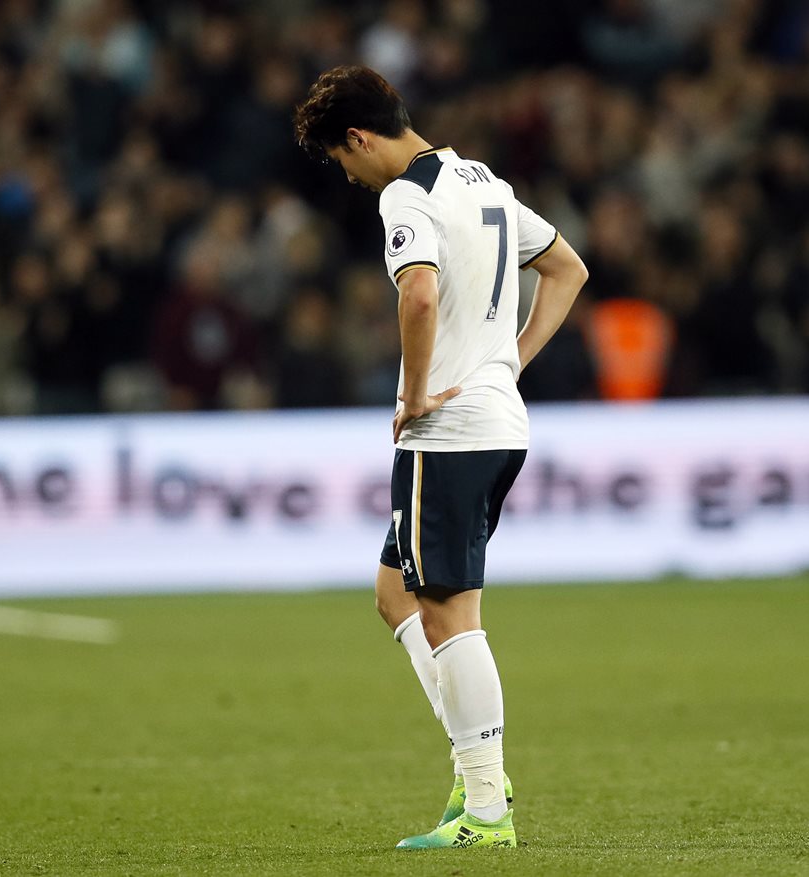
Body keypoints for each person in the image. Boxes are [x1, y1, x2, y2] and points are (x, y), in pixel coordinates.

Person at [293, 65, 589, 850]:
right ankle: (475, 760)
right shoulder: (482, 181)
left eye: (341, 160)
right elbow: (567, 269)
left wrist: (415, 394)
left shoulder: (407, 197)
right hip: (498, 422)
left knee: (450, 612)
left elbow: (417, 293)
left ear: (358, 138)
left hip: (449, 433)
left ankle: (486, 803)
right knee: (397, 593)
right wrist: (511, 360)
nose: (349, 178)